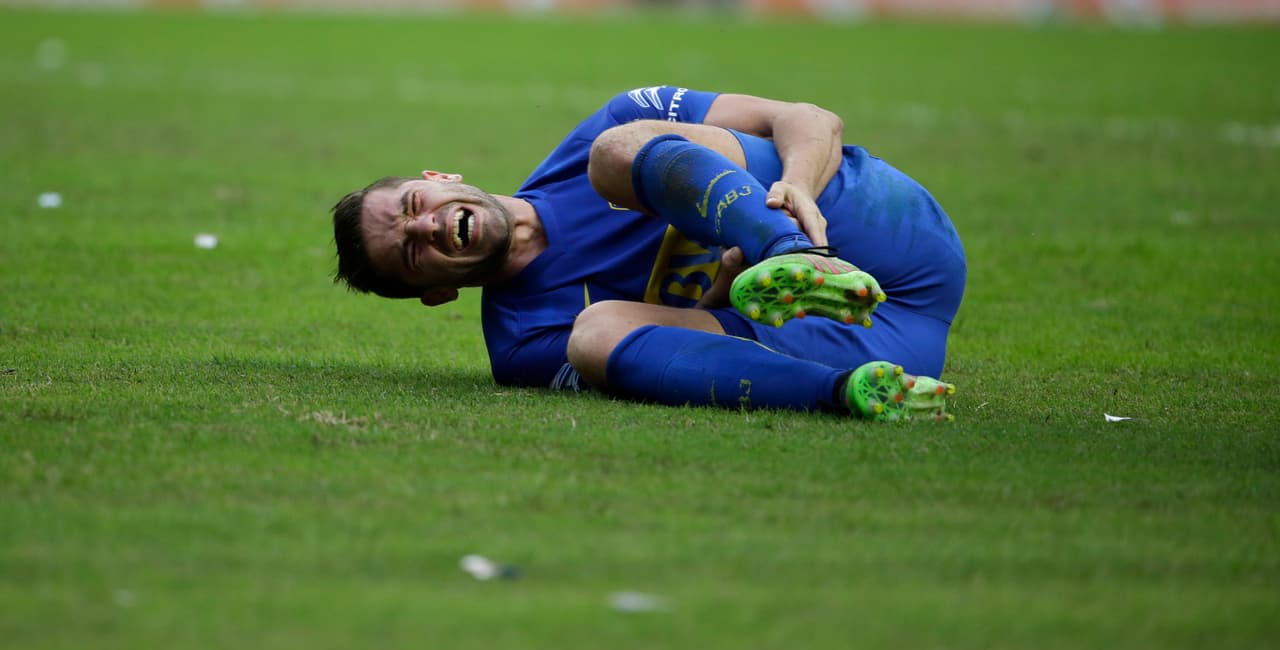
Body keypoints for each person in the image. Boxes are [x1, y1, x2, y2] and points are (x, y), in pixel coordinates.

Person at [331, 86, 965, 421]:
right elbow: (688, 352)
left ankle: (787, 249)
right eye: (412, 254)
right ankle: (854, 396)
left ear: (440, 179)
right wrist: (720, 296)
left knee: (618, 151)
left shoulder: (605, 128)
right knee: (595, 334)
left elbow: (810, 118)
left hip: (888, 234)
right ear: (437, 294)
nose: (428, 228)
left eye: (414, 206)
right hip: (870, 346)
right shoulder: (522, 347)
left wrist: (796, 189)